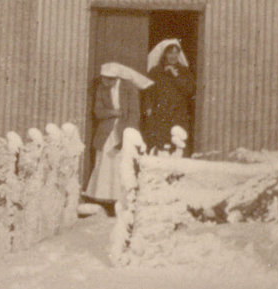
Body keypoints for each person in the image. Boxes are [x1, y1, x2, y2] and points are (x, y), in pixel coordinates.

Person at [83, 62, 150, 213]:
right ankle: (104, 198)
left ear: (116, 78)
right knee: (105, 162)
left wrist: (127, 133)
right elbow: (98, 112)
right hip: (106, 131)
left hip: (123, 129)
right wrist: (113, 113)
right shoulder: (102, 88)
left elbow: (134, 113)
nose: (106, 82)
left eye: (110, 79)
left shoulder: (129, 88)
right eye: (104, 78)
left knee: (121, 162)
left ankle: (121, 199)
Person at [141, 38, 195, 154]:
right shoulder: (155, 71)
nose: (173, 56)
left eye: (176, 53)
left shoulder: (184, 71)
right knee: (160, 145)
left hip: (178, 114)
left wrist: (176, 76)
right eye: (170, 52)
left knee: (177, 143)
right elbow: (148, 92)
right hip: (159, 114)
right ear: (164, 54)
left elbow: (189, 90)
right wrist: (149, 108)